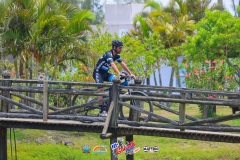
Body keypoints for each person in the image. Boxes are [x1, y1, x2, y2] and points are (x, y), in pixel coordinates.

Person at [93, 40, 136, 116]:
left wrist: (131, 73)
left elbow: (123, 64)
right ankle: (101, 110)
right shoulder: (108, 54)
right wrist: (119, 73)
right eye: (119, 48)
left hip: (105, 74)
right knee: (101, 89)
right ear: (114, 47)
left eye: (121, 48)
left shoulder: (117, 55)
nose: (121, 49)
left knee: (118, 81)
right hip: (98, 73)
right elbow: (112, 65)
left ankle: (107, 96)